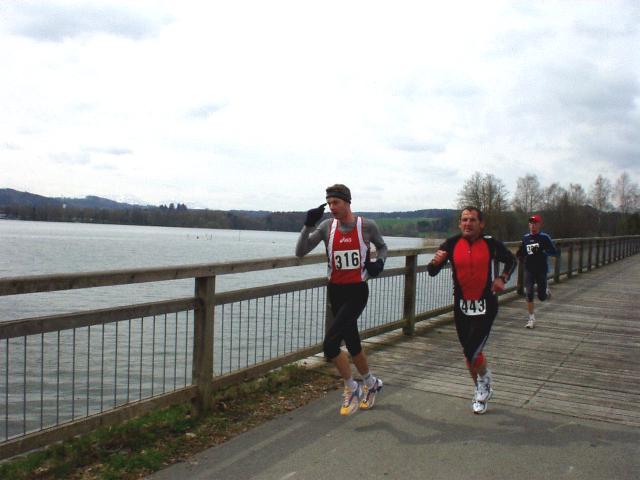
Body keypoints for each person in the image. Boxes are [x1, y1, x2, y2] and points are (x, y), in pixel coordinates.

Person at [295, 184, 387, 416]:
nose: (332, 207)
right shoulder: (327, 226)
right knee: (352, 342)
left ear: (347, 202)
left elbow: (382, 246)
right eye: (329, 203)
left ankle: (351, 386)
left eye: (336, 202)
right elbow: (300, 252)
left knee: (330, 345)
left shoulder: (366, 226)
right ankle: (371, 382)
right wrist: (307, 225)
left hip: (357, 292)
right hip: (335, 291)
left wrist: (380, 263)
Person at [427, 206, 516, 414]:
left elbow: (512, 260)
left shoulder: (490, 243)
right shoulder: (451, 243)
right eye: (464, 219)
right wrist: (436, 262)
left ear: (481, 224)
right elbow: (431, 271)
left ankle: (484, 381)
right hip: (461, 308)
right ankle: (480, 389)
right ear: (460, 223)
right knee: (469, 355)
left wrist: (502, 278)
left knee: (472, 351)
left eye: (472, 220)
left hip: (485, 306)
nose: (468, 223)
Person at [516, 214, 558, 329]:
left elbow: (554, 251)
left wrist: (543, 251)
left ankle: (545, 290)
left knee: (542, 297)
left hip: (541, 269)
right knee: (529, 293)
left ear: (539, 225)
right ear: (528, 225)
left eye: (535, 223)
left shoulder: (544, 237)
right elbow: (522, 252)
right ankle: (531, 318)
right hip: (529, 269)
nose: (533, 225)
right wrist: (520, 256)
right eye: (531, 223)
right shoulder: (525, 238)